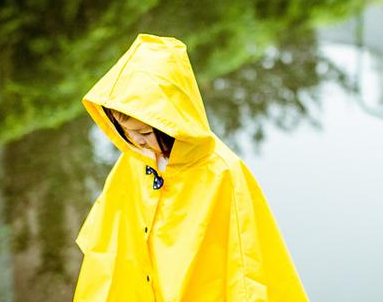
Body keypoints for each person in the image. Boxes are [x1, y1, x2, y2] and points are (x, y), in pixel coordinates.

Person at [73, 34, 309, 301]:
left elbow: (247, 262)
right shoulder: (135, 160)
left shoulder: (221, 172)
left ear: (170, 122)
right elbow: (109, 240)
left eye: (144, 132)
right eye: (127, 132)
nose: (137, 140)